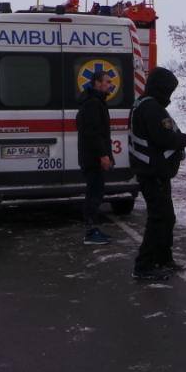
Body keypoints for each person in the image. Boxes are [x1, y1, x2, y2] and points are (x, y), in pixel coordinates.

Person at [129, 67, 186, 281]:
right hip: (153, 171)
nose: (170, 95)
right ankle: (144, 265)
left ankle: (162, 258)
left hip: (153, 169)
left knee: (167, 217)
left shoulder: (143, 104)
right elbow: (165, 138)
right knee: (159, 218)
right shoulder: (152, 108)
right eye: (169, 90)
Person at [76, 70, 114, 245]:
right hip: (93, 158)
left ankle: (93, 229)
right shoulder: (93, 103)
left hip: (92, 157)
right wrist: (103, 155)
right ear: (97, 83)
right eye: (106, 81)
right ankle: (90, 232)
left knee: (95, 192)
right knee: (94, 194)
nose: (110, 84)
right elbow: (94, 133)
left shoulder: (96, 102)